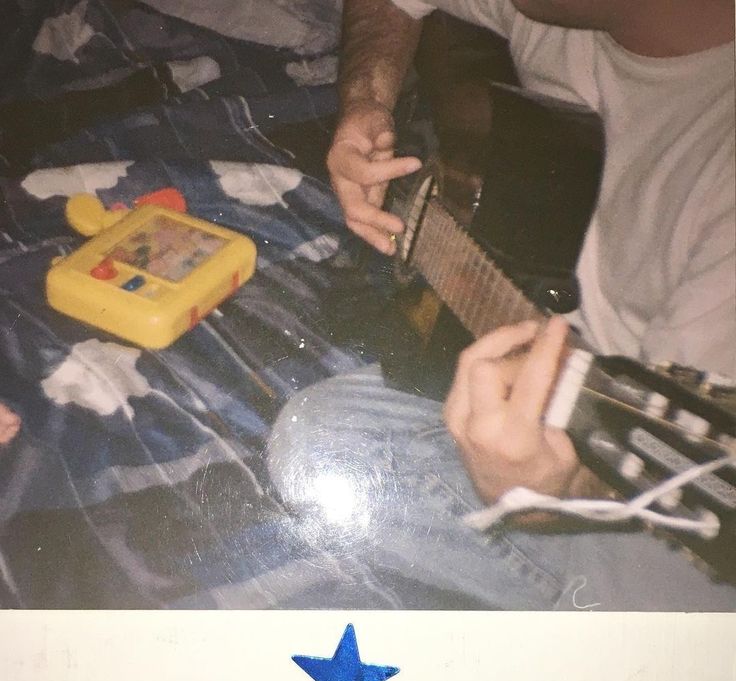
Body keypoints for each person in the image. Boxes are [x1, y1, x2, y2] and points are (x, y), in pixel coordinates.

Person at [265, 0, 736, 610]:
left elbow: (701, 468)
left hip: (644, 452)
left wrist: (562, 491)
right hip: (549, 330)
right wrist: (366, 103)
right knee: (316, 440)